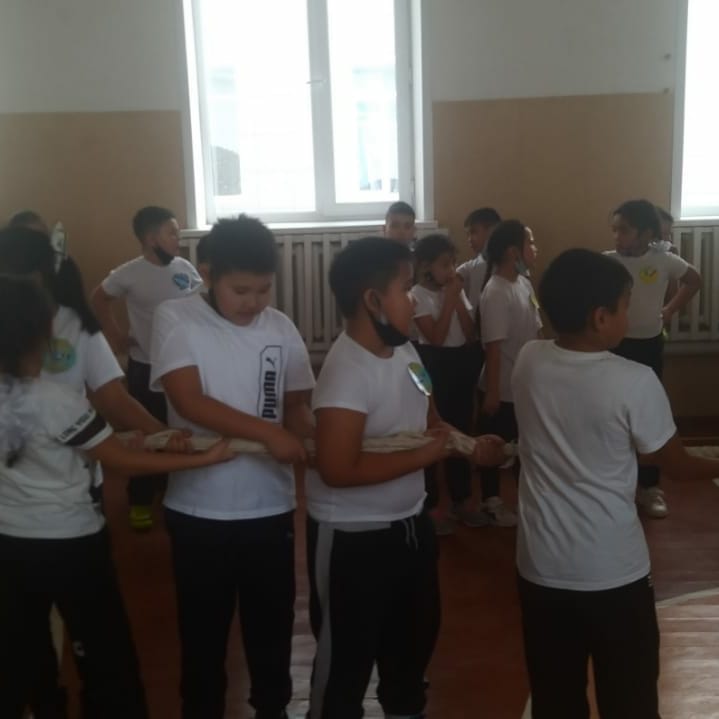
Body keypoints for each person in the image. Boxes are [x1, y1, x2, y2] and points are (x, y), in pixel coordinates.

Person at [0, 274, 232, 719]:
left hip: (10, 543)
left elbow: (102, 448)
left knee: (23, 643)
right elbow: (122, 463)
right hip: (70, 543)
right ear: (44, 333)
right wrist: (203, 459)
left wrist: (141, 442)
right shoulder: (58, 400)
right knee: (104, 652)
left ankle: (46, 707)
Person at [513, 248, 719, 719]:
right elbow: (675, 464)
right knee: (630, 699)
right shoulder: (635, 381)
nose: (631, 313)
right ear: (600, 317)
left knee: (555, 696)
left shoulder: (528, 360)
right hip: (612, 572)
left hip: (541, 568)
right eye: (627, 304)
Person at [307, 236, 505, 719]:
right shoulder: (346, 372)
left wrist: (469, 447)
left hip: (409, 527)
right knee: (347, 662)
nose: (413, 300)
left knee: (411, 648)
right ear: (373, 300)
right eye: (405, 288)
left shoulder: (406, 353)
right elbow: (337, 469)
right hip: (353, 537)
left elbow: (431, 424)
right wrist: (428, 453)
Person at [0, 224, 173, 715]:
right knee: (24, 638)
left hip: (70, 499)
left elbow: (113, 402)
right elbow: (116, 453)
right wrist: (191, 454)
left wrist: (161, 436)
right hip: (21, 517)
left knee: (93, 639)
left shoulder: (74, 324)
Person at [150, 215, 315, 719]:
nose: (254, 302)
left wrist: (317, 438)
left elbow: (296, 406)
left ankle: (273, 708)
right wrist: (269, 434)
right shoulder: (176, 318)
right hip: (200, 511)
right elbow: (190, 401)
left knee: (271, 628)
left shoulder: (280, 327)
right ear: (207, 274)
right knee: (203, 632)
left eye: (264, 289)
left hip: (269, 507)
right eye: (240, 290)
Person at [91, 206, 202, 531]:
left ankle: (172, 490)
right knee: (147, 432)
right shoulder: (129, 273)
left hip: (182, 366)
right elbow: (99, 299)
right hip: (146, 366)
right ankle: (140, 499)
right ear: (151, 239)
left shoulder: (183, 267)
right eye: (172, 233)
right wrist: (115, 335)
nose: (178, 240)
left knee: (179, 428)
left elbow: (201, 300)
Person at [606, 199, 702, 518]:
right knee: (614, 414)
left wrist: (670, 309)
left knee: (647, 415)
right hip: (614, 348)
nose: (617, 236)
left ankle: (650, 487)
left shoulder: (664, 260)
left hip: (648, 348)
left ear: (647, 233)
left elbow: (694, 280)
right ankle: (618, 483)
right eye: (614, 230)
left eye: (624, 230)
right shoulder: (607, 262)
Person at [411, 233, 484, 534]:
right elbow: (437, 338)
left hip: (459, 362)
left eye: (454, 263)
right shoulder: (417, 295)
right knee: (433, 428)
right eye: (444, 264)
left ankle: (461, 498)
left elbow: (469, 333)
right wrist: (450, 299)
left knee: (461, 427)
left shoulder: (454, 290)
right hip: (433, 362)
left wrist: (456, 299)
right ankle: (430, 506)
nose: (451, 270)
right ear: (426, 266)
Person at [477, 220, 541, 526]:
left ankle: (525, 501)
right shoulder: (496, 292)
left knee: (521, 445)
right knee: (496, 447)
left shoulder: (524, 284)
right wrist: (492, 392)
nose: (535, 249)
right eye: (531, 243)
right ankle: (491, 501)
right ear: (514, 251)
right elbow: (493, 348)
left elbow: (536, 332)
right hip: (500, 387)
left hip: (523, 384)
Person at [457, 207, 501, 314]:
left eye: (474, 232)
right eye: (468, 234)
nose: (469, 239)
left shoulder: (510, 266)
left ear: (492, 231)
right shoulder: (471, 267)